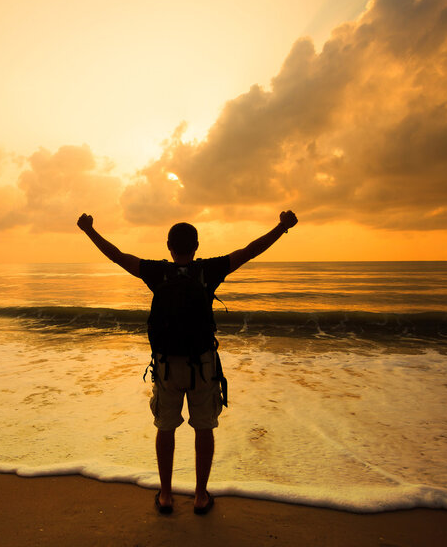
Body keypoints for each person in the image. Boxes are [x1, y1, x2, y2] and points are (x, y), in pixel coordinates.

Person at [76, 210, 298, 514]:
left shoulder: (157, 272)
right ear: (196, 246)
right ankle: (200, 496)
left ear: (169, 246)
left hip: (167, 365)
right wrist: (281, 227)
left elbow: (116, 255)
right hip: (202, 364)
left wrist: (89, 230)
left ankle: (166, 495)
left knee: (166, 428)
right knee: (203, 427)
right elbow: (249, 251)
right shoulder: (209, 270)